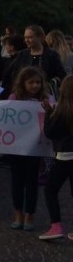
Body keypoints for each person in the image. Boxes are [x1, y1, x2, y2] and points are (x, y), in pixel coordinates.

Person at [5, 66, 51, 231]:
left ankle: (29, 214)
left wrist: (49, 109)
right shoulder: (14, 98)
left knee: (32, 181)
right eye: (31, 82)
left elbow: (52, 120)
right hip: (16, 147)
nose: (35, 86)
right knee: (17, 181)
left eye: (37, 82)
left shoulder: (46, 100)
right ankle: (17, 212)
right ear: (23, 83)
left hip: (35, 148)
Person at [40, 76, 73, 240]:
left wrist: (48, 114)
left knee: (50, 190)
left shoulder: (62, 111)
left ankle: (56, 226)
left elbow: (50, 133)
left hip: (65, 156)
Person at [1, 25, 65, 93]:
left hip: (45, 95)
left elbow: (61, 75)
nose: (27, 40)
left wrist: (51, 83)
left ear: (41, 37)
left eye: (30, 37)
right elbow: (12, 74)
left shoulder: (51, 55)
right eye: (25, 37)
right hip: (24, 95)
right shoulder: (22, 55)